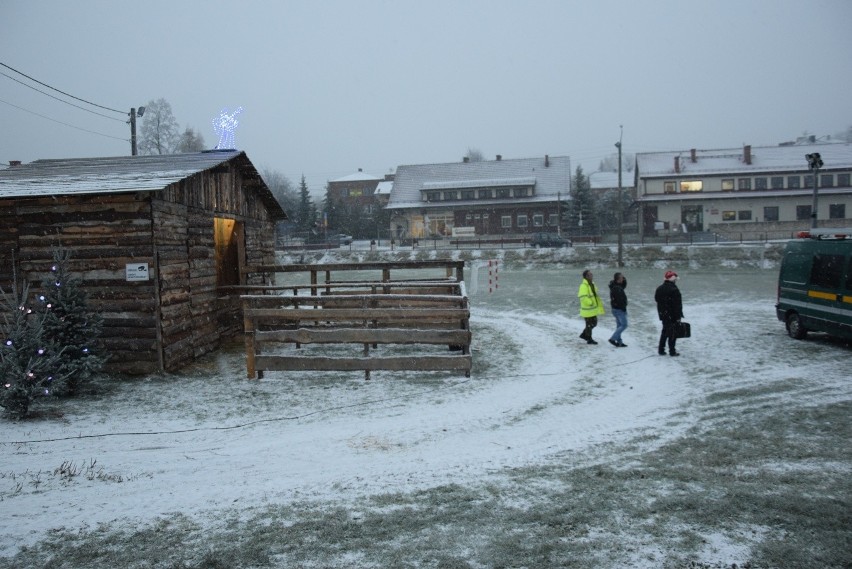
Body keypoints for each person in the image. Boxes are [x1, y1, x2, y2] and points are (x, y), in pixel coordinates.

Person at [655, 270, 684, 356]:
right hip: (672, 315)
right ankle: (672, 351)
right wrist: (678, 316)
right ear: (673, 279)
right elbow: (677, 305)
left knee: (665, 331)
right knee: (673, 333)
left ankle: (661, 349)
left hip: (663, 314)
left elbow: (657, 299)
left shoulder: (659, 288)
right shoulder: (674, 290)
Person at [577, 269, 604, 345]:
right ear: (586, 277)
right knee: (589, 325)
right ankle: (589, 339)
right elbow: (582, 297)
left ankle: (584, 334)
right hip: (587, 309)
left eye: (592, 274)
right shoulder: (583, 286)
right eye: (590, 274)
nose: (592, 275)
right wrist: (590, 302)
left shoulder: (591, 284)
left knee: (594, 323)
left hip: (592, 309)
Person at [608, 272, 628, 347]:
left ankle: (619, 342)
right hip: (619, 310)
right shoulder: (616, 288)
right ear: (618, 279)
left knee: (619, 325)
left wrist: (624, 279)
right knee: (624, 325)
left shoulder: (616, 286)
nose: (623, 278)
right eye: (622, 277)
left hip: (615, 309)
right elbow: (620, 300)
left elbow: (623, 285)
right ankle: (613, 339)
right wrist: (623, 308)